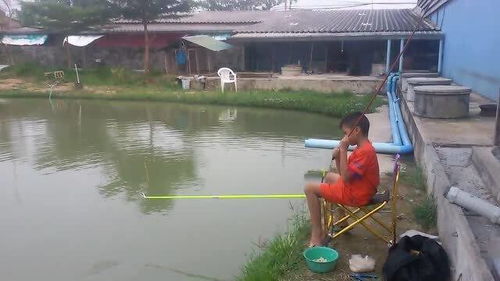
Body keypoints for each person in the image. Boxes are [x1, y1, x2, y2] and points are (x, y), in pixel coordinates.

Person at [304, 112, 380, 247]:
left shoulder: (365, 152)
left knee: (309, 188)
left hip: (357, 195)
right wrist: (339, 157)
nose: (344, 137)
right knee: (329, 177)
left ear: (356, 130)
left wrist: (344, 150)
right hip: (357, 188)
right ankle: (343, 219)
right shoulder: (363, 148)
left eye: (346, 133)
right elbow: (345, 176)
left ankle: (317, 234)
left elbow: (345, 177)